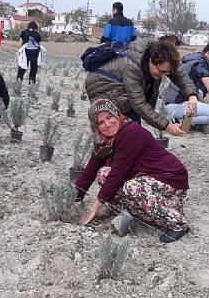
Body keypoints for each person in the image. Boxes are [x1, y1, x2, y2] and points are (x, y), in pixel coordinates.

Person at [76, 99, 190, 243]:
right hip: (146, 180)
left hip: (170, 180)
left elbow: (118, 173)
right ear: (96, 126)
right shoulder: (104, 142)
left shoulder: (131, 131)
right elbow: (90, 171)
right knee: (103, 173)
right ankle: (132, 211)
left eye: (109, 117)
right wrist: (72, 197)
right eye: (100, 122)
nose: (107, 124)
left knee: (131, 188)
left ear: (117, 113)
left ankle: (178, 223)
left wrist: (95, 206)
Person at [84, 38, 198, 137]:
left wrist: (192, 96)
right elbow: (139, 104)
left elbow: (179, 75)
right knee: (126, 129)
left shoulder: (162, 57)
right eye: (161, 71)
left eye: (166, 73)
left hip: (121, 86)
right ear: (151, 61)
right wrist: (167, 126)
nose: (163, 76)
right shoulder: (132, 66)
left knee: (132, 130)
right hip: (102, 87)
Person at [163, 41, 209, 128]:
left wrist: (206, 105)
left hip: (169, 103)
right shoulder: (200, 64)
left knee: (202, 90)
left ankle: (184, 119)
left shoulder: (193, 59)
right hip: (176, 105)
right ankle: (182, 122)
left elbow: (196, 92)